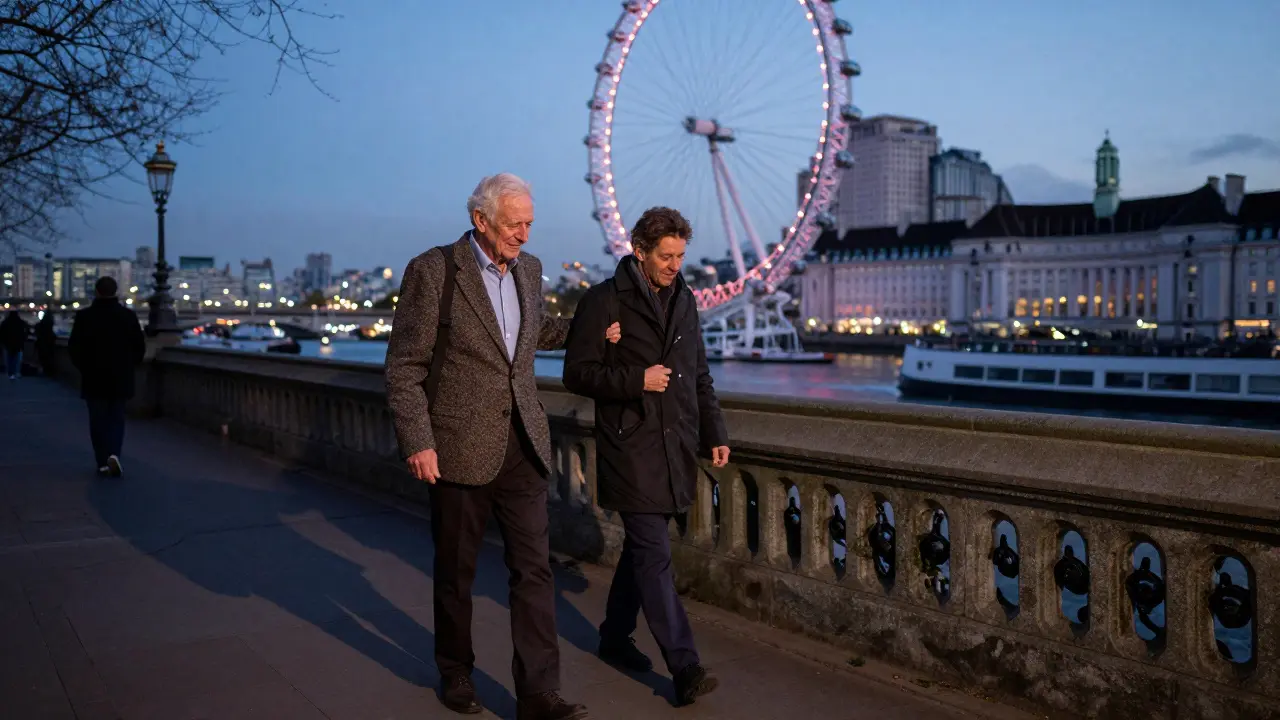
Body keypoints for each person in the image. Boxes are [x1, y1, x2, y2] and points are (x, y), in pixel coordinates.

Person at [384, 173, 618, 720]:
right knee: (457, 571)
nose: (525, 234)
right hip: (458, 446)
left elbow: (533, 331)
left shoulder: (529, 270)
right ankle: (456, 671)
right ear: (481, 220)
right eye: (515, 224)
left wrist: (595, 326)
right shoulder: (435, 270)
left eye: (530, 223)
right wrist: (419, 441)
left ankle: (538, 692)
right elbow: (403, 368)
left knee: (534, 572)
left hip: (523, 444)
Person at [561, 206, 729, 707]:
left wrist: (714, 430)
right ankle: (685, 666)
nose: (675, 265)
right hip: (630, 445)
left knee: (641, 552)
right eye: (666, 255)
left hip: (674, 443)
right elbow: (577, 372)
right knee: (654, 555)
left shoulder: (686, 299)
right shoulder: (603, 301)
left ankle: (614, 637)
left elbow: (698, 374)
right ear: (639, 250)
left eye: (680, 255)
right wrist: (636, 380)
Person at [68, 276, 146, 476]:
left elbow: (74, 348)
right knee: (116, 418)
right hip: (120, 377)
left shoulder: (85, 316)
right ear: (116, 292)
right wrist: (129, 366)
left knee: (97, 420)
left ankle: (102, 460)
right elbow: (139, 347)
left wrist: (85, 368)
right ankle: (114, 453)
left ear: (97, 292)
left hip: (94, 377)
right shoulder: (127, 316)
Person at [0, 310, 29, 380]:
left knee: (9, 360)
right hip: (18, 345)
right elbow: (26, 332)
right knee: (17, 360)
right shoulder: (21, 323)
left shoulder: (5, 323)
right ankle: (16, 372)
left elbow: (1, 334)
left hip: (8, 345)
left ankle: (10, 373)